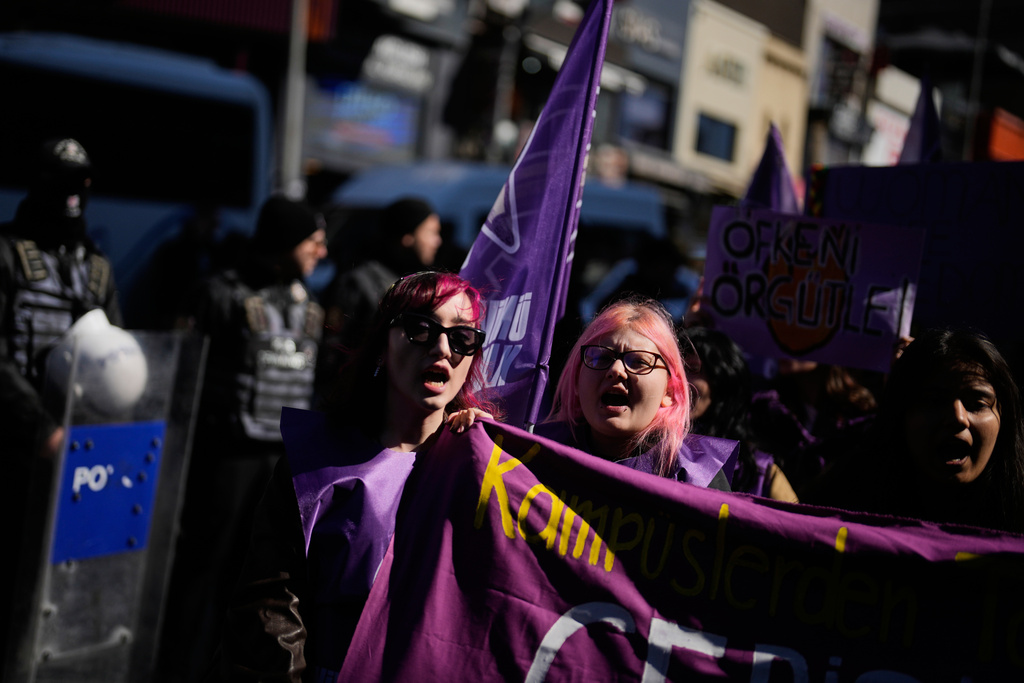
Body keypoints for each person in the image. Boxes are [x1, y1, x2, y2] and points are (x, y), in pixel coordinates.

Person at [218, 271, 497, 682]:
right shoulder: (314, 462)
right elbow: (270, 608)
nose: (442, 348)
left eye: (462, 338)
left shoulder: (487, 468)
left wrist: (491, 464)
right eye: (421, 328)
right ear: (384, 341)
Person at [158, 194, 328, 682]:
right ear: (285, 242)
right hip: (225, 459)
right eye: (312, 241)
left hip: (283, 461)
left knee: (262, 578)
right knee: (203, 574)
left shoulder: (308, 302)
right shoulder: (219, 294)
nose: (321, 251)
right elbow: (182, 376)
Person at [0, 138, 121, 662]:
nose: (73, 194)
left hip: (81, 456)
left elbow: (120, 362)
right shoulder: (6, 251)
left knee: (62, 594)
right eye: (61, 180)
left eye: (82, 181)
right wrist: (40, 428)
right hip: (17, 449)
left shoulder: (98, 268)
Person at [803, 328, 1024, 533]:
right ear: (900, 415)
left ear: (1004, 415)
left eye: (976, 403)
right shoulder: (836, 509)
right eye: (934, 401)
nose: (958, 418)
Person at [536, 298, 737, 490]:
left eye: (639, 362)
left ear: (668, 391)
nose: (616, 370)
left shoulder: (698, 476)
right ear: (578, 380)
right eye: (601, 357)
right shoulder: (534, 452)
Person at [317, 197, 443, 396]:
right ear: (407, 237)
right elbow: (331, 350)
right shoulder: (358, 282)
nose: (438, 241)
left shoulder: (415, 283)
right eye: (431, 232)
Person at [681, 326, 798, 502]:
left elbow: (792, 527)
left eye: (692, 369)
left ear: (723, 383)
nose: (680, 381)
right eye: (675, 368)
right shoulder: (642, 448)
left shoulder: (761, 473)